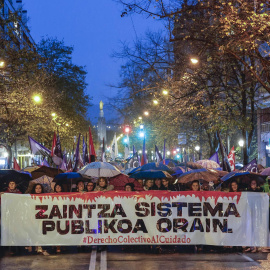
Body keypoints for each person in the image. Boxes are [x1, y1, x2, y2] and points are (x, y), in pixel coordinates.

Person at [30, 184, 50, 255]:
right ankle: (35, 249)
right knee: (34, 232)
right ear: (34, 189)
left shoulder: (45, 197)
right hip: (34, 218)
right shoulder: (30, 197)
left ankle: (42, 248)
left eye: (39, 188)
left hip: (42, 217)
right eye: (36, 188)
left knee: (42, 233)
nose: (38, 189)